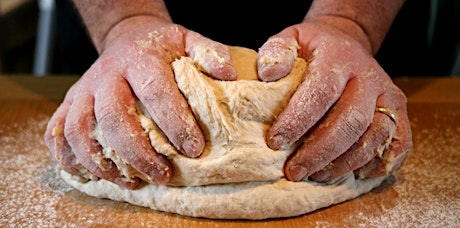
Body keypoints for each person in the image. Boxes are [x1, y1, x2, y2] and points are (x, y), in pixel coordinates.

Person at [45, 0, 413, 189]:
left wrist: (349, 22)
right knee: (120, 128)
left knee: (348, 126)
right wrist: (124, 22)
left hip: (349, 57)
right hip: (121, 53)